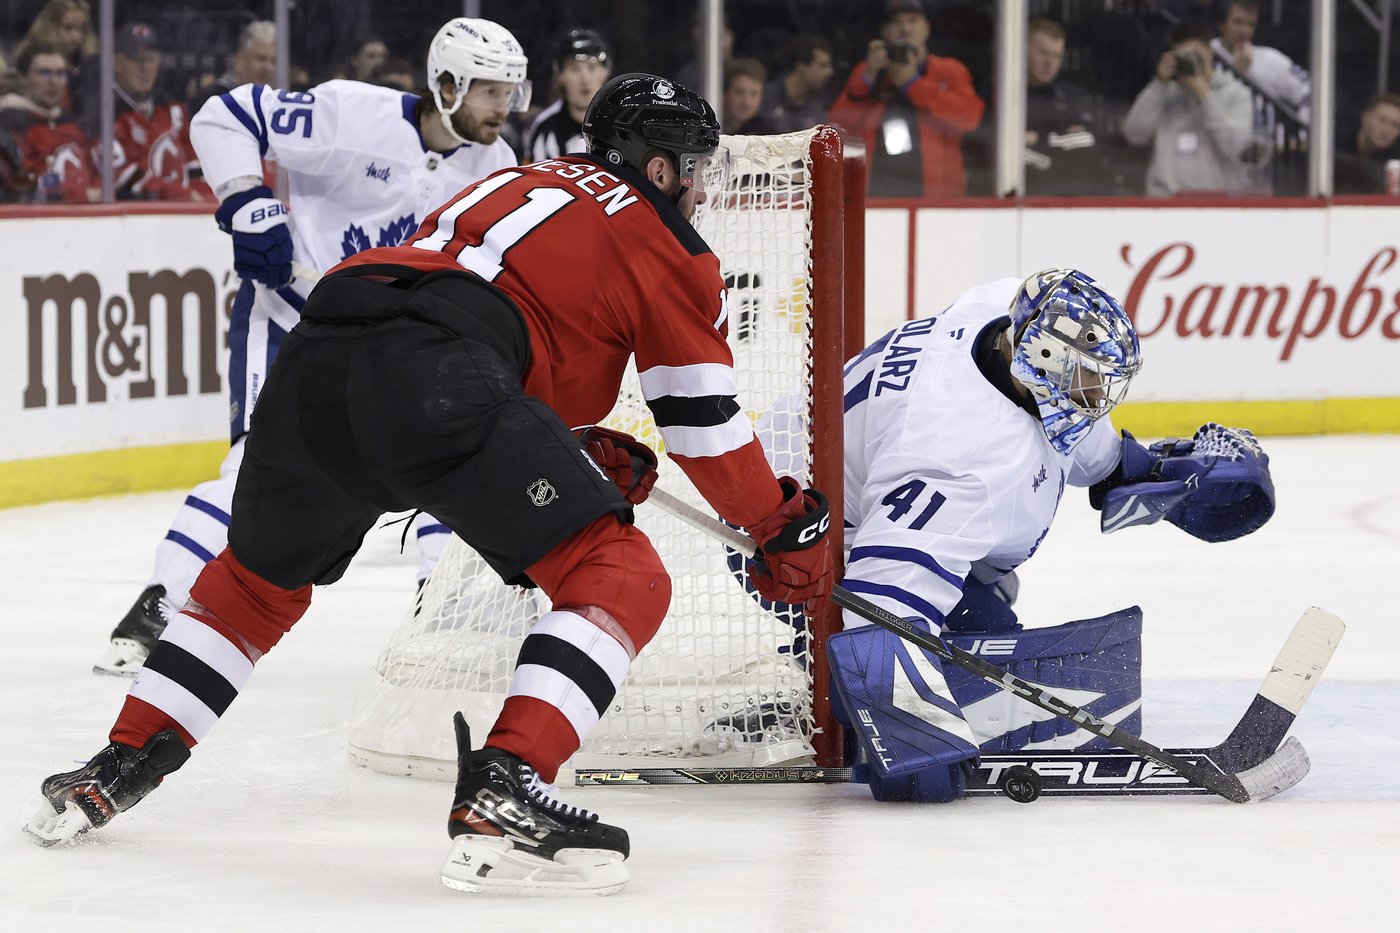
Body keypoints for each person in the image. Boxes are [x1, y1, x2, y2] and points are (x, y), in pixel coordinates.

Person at [27, 71, 836, 898]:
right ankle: (508, 784)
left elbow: (496, 316)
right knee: (622, 574)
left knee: (252, 586)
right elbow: (699, 420)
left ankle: (116, 767)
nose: (701, 187)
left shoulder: (515, 177)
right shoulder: (663, 241)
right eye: (695, 168)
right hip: (437, 376)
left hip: (321, 355)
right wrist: (778, 523)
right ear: (660, 170)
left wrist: (562, 443)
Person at [90, 18, 528, 676]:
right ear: (446, 85)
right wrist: (246, 201)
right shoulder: (352, 114)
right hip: (291, 322)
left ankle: (438, 603)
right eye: (491, 92)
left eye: (511, 94)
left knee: (452, 455)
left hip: (389, 345)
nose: (505, 109)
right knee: (255, 468)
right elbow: (224, 115)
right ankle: (162, 602)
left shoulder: (496, 168)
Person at [829, 269, 1274, 802]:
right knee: (973, 646)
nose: (1098, 395)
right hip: (797, 535)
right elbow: (877, 605)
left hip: (853, 475)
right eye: (1088, 379)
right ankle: (832, 705)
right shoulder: (961, 466)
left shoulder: (1002, 314)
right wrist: (909, 742)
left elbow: (1066, 428)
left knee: (980, 608)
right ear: (1042, 359)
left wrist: (1136, 469)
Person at [828, 0, 984, 197]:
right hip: (875, 191)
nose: (905, 29)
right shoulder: (868, 71)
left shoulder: (949, 71)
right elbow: (838, 128)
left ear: (926, 29)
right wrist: (867, 78)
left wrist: (911, 83)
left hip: (936, 194)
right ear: (884, 31)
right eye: (896, 22)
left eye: (913, 21)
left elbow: (969, 119)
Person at [1121, 19, 1253, 196]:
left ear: (1210, 52)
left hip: (1215, 204)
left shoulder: (1236, 94)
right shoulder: (1163, 93)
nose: (1189, 62)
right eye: (1182, 57)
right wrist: (1158, 85)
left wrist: (1203, 96)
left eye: (1195, 55)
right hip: (1164, 200)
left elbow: (1234, 146)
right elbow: (1134, 134)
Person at [85, 23, 208, 201]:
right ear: (116, 63)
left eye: (151, 59)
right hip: (135, 218)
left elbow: (194, 163)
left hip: (181, 214)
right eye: (137, 59)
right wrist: (180, 195)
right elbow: (124, 179)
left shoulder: (172, 107)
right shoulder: (104, 112)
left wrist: (203, 196)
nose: (145, 68)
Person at [0, 40, 92, 202]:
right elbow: (17, 186)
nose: (53, 81)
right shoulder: (8, 123)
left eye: (60, 73)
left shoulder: (71, 121)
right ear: (22, 78)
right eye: (44, 73)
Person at [1023, 16, 1101, 196]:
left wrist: (1037, 138)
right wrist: (1061, 140)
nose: (1049, 63)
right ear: (1024, 50)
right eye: (1042, 53)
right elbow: (1004, 151)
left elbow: (1087, 142)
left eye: (1056, 56)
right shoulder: (1003, 94)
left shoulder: (1069, 95)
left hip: (1069, 196)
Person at [1211, 0, 1310, 123]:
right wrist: (1236, 73)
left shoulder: (1270, 59)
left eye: (1250, 25)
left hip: (1264, 139)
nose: (1244, 31)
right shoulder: (1207, 54)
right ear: (1222, 24)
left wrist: (1303, 132)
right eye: (1237, 22)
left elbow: (1308, 92)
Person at [522, 27, 611, 162]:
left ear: (605, 73)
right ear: (560, 76)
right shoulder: (545, 128)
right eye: (575, 69)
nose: (585, 80)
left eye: (592, 68)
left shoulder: (621, 123)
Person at [13, 0, 96, 114]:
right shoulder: (31, 57)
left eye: (81, 29)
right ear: (51, 25)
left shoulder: (85, 62)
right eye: (68, 28)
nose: (76, 36)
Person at [188, 20, 278, 117]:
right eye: (261, 59)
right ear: (239, 60)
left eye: (274, 61)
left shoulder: (283, 102)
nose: (268, 67)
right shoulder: (211, 100)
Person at [758, 33, 836, 135]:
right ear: (801, 66)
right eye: (823, 65)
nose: (830, 72)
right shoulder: (764, 97)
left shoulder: (817, 106)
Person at [1333, 92, 1400, 194]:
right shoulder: (1334, 149)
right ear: (1365, 118)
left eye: (1395, 125)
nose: (1387, 130)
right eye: (1382, 120)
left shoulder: (1394, 162)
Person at [721, 57, 773, 135]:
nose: (746, 102)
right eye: (739, 92)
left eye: (754, 94)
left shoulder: (767, 132)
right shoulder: (707, 126)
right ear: (725, 93)